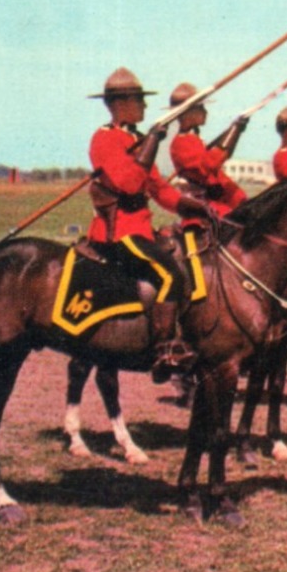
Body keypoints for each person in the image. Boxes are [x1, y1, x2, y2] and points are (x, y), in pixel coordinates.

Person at [86, 68, 199, 380]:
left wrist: (192, 206)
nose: (145, 108)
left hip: (140, 230)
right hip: (117, 233)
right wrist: (150, 144)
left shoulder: (135, 139)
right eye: (140, 101)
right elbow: (130, 184)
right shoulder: (104, 139)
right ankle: (164, 350)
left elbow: (159, 189)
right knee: (169, 274)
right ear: (122, 104)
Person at [167, 82, 247, 216]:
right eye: (200, 108)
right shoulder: (180, 143)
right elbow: (210, 165)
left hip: (217, 201)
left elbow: (221, 162)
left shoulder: (193, 139)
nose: (205, 112)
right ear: (187, 113)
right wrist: (235, 130)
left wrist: (236, 131)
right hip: (203, 205)